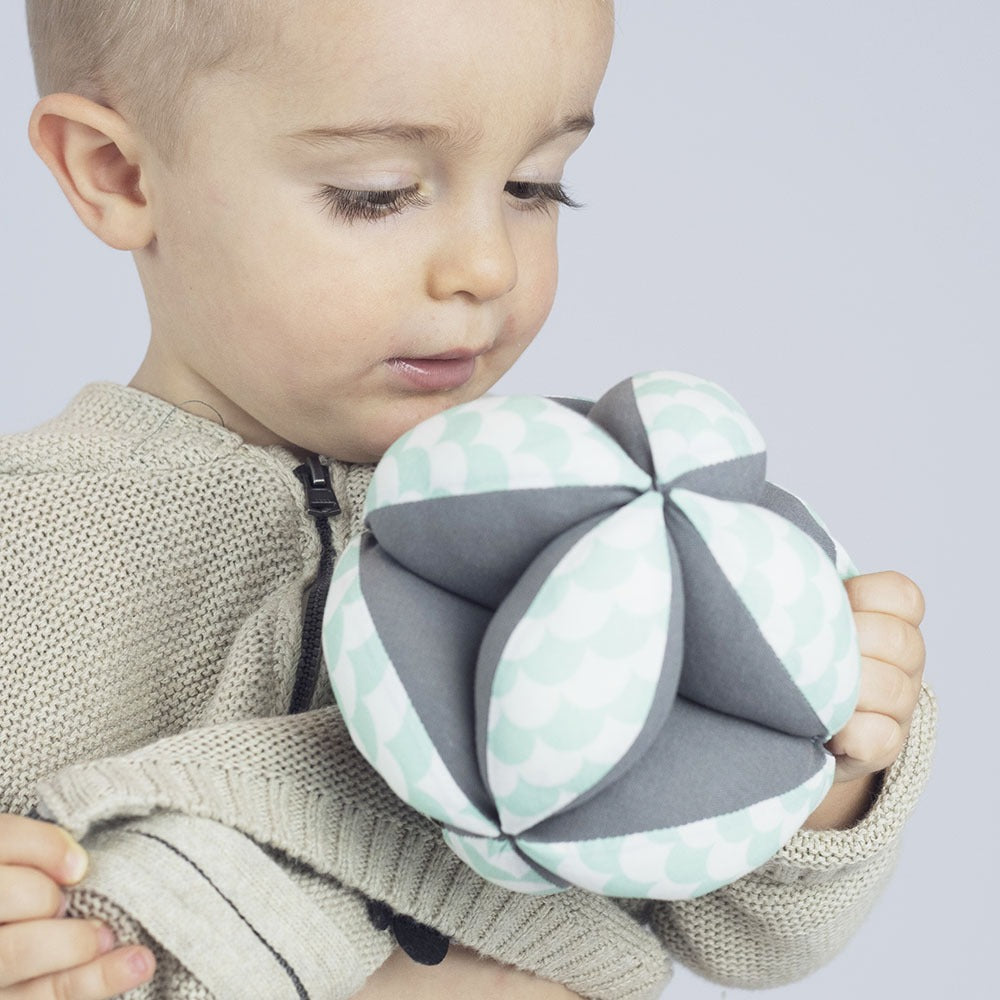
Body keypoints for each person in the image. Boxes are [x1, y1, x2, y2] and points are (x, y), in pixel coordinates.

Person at [0, 1, 934, 998]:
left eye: (534, 185)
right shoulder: (29, 547)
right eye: (378, 194)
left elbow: (751, 937)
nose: (488, 265)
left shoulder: (590, 534)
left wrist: (819, 755)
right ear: (118, 173)